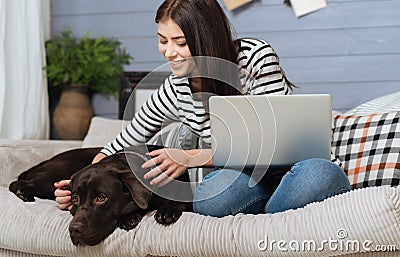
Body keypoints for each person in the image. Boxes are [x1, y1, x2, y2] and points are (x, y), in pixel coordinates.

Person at [55, 0, 351, 216]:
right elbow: (123, 140)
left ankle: (266, 221)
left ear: (205, 38)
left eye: (180, 43)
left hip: (296, 169)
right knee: (212, 195)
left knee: (320, 175)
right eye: (162, 40)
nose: (169, 51)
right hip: (245, 183)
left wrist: (193, 156)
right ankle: (279, 217)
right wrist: (78, 187)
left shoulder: (255, 58)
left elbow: (278, 139)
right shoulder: (175, 87)